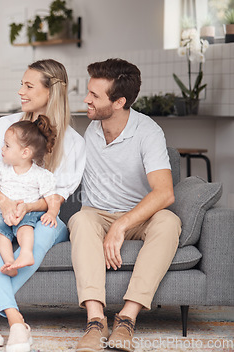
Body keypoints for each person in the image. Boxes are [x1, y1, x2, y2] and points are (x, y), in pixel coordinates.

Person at [0, 59, 86, 352]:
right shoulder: (3, 126)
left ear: (51, 92)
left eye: (28, 85)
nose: (20, 90)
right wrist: (5, 204)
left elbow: (56, 198)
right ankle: (15, 320)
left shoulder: (73, 142)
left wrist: (24, 207)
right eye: (22, 83)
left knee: (46, 229)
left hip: (42, 217)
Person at [68, 58, 181, 352]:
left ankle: (126, 320)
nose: (86, 100)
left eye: (94, 95)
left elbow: (165, 193)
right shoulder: (90, 131)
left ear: (119, 102)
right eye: (88, 92)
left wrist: (122, 224)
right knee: (80, 220)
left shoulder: (148, 132)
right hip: (96, 214)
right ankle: (95, 322)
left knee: (169, 221)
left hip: (137, 217)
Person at [0, 116, 58, 277]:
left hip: (27, 214)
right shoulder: (0, 169)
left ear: (25, 153)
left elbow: (52, 198)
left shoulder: (40, 175)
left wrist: (52, 213)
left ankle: (26, 253)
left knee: (26, 228)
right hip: (3, 216)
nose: (2, 149)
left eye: (7, 145)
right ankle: (10, 262)